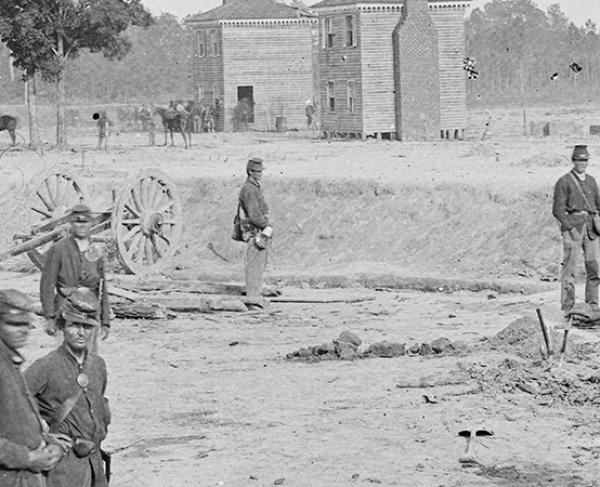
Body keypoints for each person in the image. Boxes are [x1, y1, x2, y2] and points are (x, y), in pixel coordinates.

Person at [26, 291, 111, 487]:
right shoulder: (45, 366)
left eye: (88, 327)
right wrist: (43, 436)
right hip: (63, 468)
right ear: (62, 327)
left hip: (94, 464)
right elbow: (10, 405)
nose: (81, 333)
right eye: (74, 325)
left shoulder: (98, 365)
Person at [0, 289, 65, 486]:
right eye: (14, 324)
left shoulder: (9, 362)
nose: (23, 330)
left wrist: (48, 443)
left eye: (26, 324)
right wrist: (27, 458)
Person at [40, 204, 111, 351]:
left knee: (89, 361)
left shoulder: (95, 252)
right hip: (65, 313)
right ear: (71, 223)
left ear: (91, 223)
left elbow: (102, 288)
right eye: (77, 222)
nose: (81, 226)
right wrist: (49, 316)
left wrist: (105, 321)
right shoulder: (58, 249)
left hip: (90, 314)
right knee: (65, 362)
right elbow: (47, 284)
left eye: (85, 222)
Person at [553, 144, 600, 316]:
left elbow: (598, 204)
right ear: (573, 161)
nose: (582, 163)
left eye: (585, 160)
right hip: (573, 228)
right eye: (579, 160)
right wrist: (569, 227)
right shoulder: (564, 181)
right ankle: (567, 309)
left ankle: (592, 306)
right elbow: (557, 210)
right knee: (569, 271)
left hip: (591, 230)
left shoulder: (592, 181)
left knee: (594, 268)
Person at [236, 158, 273, 309]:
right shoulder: (250, 189)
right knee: (254, 267)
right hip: (254, 231)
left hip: (257, 231)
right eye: (258, 172)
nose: (260, 174)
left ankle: (255, 297)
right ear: (250, 172)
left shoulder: (253, 187)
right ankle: (252, 300)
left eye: (261, 171)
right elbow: (254, 215)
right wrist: (267, 225)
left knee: (258, 265)